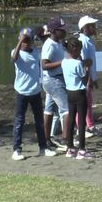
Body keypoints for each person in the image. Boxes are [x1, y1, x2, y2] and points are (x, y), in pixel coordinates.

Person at [11, 28, 57, 160]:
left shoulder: (37, 52)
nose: (26, 43)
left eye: (28, 40)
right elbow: (14, 58)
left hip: (35, 91)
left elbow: (45, 44)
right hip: (21, 92)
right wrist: (21, 40)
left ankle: (43, 147)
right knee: (19, 120)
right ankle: (17, 149)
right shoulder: (16, 52)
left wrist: (37, 36)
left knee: (39, 121)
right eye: (23, 40)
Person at [62, 37, 94, 159]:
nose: (80, 53)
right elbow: (85, 79)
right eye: (79, 51)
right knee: (81, 121)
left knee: (71, 119)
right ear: (74, 50)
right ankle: (81, 149)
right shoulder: (77, 64)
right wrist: (87, 69)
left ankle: (70, 148)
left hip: (69, 92)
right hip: (79, 93)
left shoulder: (64, 62)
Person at [77, 15, 102, 138]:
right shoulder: (83, 41)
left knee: (88, 103)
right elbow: (84, 63)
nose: (95, 28)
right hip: (85, 79)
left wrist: (94, 79)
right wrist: (89, 79)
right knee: (83, 103)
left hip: (89, 78)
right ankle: (82, 128)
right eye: (92, 26)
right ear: (85, 28)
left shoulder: (89, 40)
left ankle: (89, 125)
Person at [42, 17, 70, 150]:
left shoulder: (57, 42)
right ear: (53, 31)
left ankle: (46, 139)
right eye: (62, 30)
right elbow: (44, 65)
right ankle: (65, 139)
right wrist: (62, 62)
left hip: (53, 80)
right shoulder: (49, 45)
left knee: (49, 110)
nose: (64, 32)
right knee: (66, 110)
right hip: (53, 80)